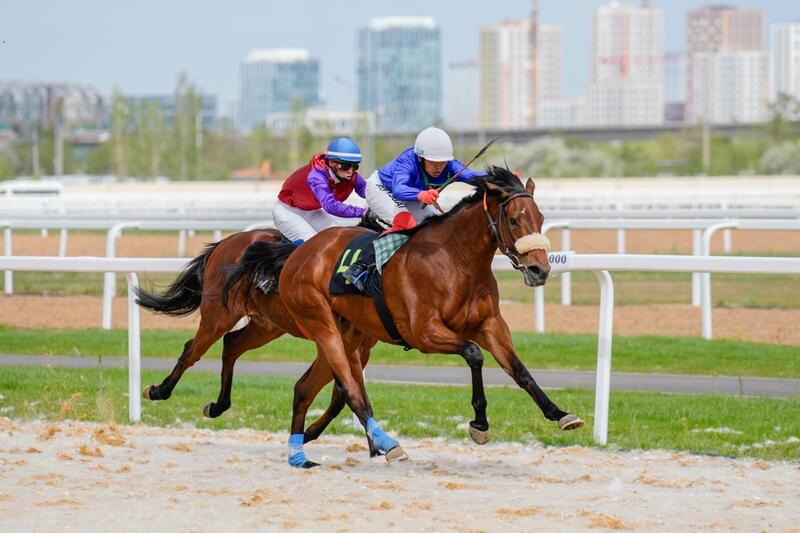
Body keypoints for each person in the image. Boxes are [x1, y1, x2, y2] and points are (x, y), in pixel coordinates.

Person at [343, 127, 484, 289]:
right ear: (420, 158)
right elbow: (399, 188)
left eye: (442, 163)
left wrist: (503, 178)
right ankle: (359, 266)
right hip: (381, 189)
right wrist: (421, 195)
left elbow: (473, 176)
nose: (439, 167)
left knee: (436, 225)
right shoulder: (407, 161)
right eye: (433, 162)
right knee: (406, 222)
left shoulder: (451, 166)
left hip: (411, 195)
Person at [273, 137, 380, 243]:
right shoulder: (316, 177)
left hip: (312, 211)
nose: (351, 171)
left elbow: (369, 192)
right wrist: (364, 212)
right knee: (313, 244)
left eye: (355, 166)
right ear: (333, 163)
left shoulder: (351, 176)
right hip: (288, 212)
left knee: (339, 240)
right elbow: (331, 206)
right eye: (346, 166)